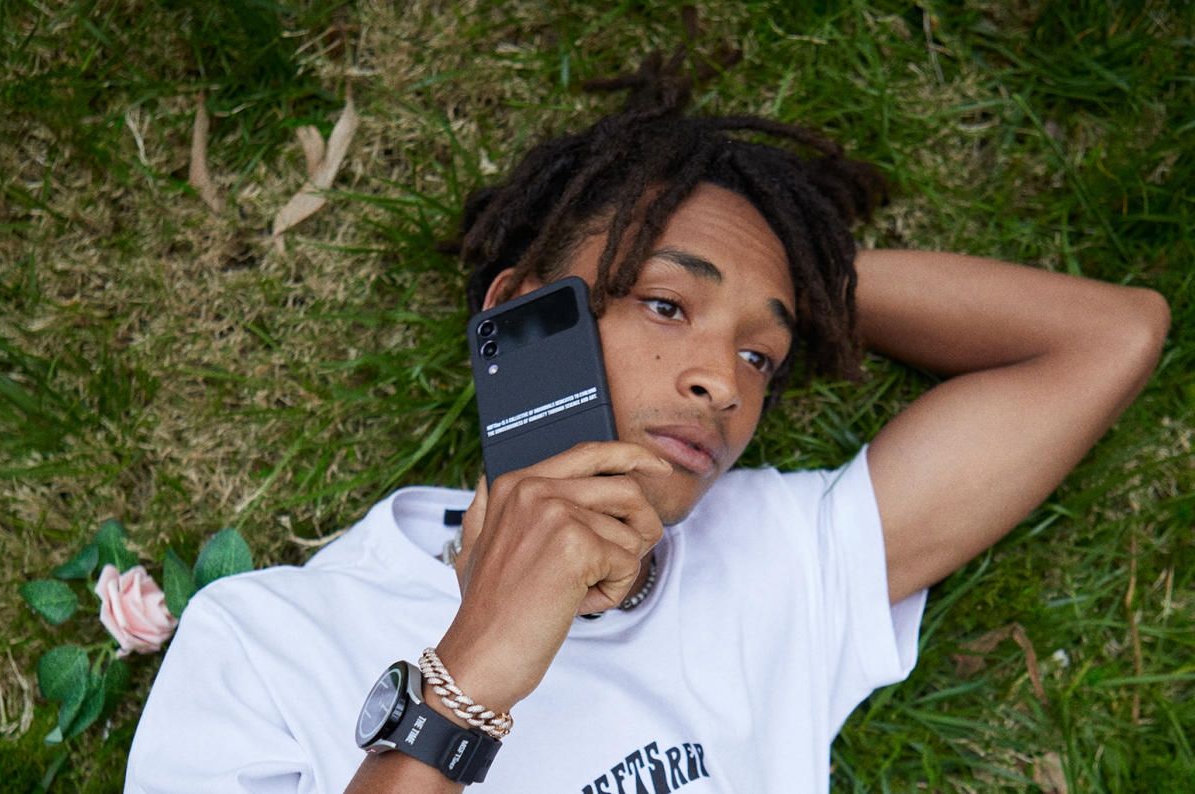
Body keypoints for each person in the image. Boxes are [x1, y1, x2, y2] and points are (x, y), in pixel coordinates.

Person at [124, 49, 1170, 793]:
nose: (724, 383)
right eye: (666, 305)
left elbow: (1110, 338)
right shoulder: (271, 642)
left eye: (761, 356)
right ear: (520, 311)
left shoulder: (772, 566)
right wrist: (466, 679)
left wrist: (799, 276)